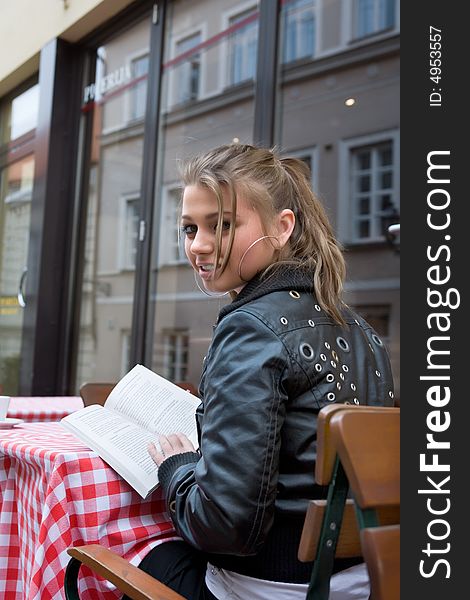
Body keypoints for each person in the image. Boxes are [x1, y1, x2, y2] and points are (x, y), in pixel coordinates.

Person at [126, 143, 395, 600]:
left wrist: (177, 467)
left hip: (271, 586)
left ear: (282, 227)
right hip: (363, 578)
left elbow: (224, 528)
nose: (199, 245)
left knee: (115, 547)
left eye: (222, 225)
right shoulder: (361, 328)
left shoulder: (251, 328)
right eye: (190, 228)